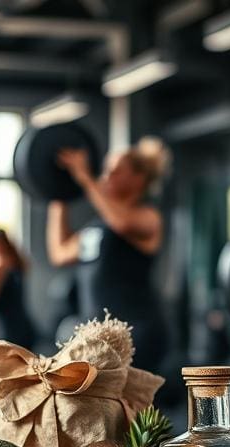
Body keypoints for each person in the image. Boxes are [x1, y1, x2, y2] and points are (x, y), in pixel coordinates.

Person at [46, 136, 170, 372]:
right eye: (106, 169)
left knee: (131, 408)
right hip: (101, 341)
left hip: (138, 336)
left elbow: (121, 223)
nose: (106, 175)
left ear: (138, 179)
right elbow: (60, 253)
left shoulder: (148, 217)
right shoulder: (96, 229)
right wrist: (58, 192)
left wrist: (84, 177)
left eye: (116, 170)